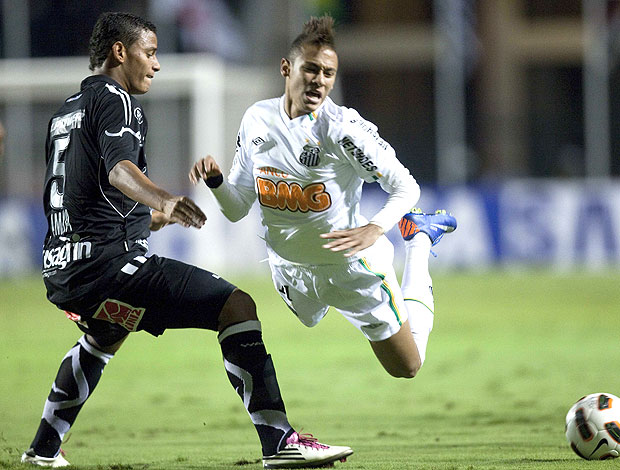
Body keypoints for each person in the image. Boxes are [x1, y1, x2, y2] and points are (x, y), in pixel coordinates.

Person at [21, 12, 352, 469]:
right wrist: (166, 199)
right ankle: (279, 441)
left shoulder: (65, 112)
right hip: (110, 268)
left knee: (106, 333)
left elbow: (86, 198)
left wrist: (151, 219)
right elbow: (119, 172)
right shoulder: (118, 101)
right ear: (121, 52)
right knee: (236, 307)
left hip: (63, 269)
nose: (156, 65)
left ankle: (42, 449)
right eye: (150, 52)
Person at [189, 15, 456, 380]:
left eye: (328, 73)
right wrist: (217, 182)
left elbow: (406, 187)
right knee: (310, 320)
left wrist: (375, 228)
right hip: (289, 268)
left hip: (350, 269)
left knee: (407, 367)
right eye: (311, 69)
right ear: (287, 68)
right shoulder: (256, 120)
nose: (319, 80)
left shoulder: (343, 131)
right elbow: (236, 209)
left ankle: (420, 239)